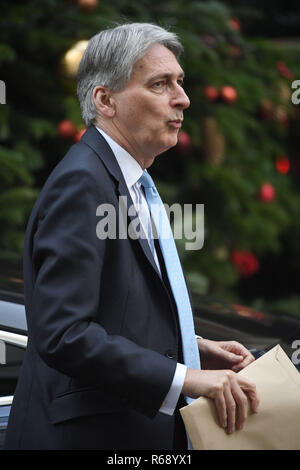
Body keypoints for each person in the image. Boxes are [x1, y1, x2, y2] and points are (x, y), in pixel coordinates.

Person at [5, 23, 259, 450]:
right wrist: (187, 377)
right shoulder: (83, 182)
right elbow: (64, 334)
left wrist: (188, 346)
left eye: (180, 82)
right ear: (105, 100)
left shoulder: (126, 177)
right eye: (160, 84)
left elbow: (114, 307)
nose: (183, 99)